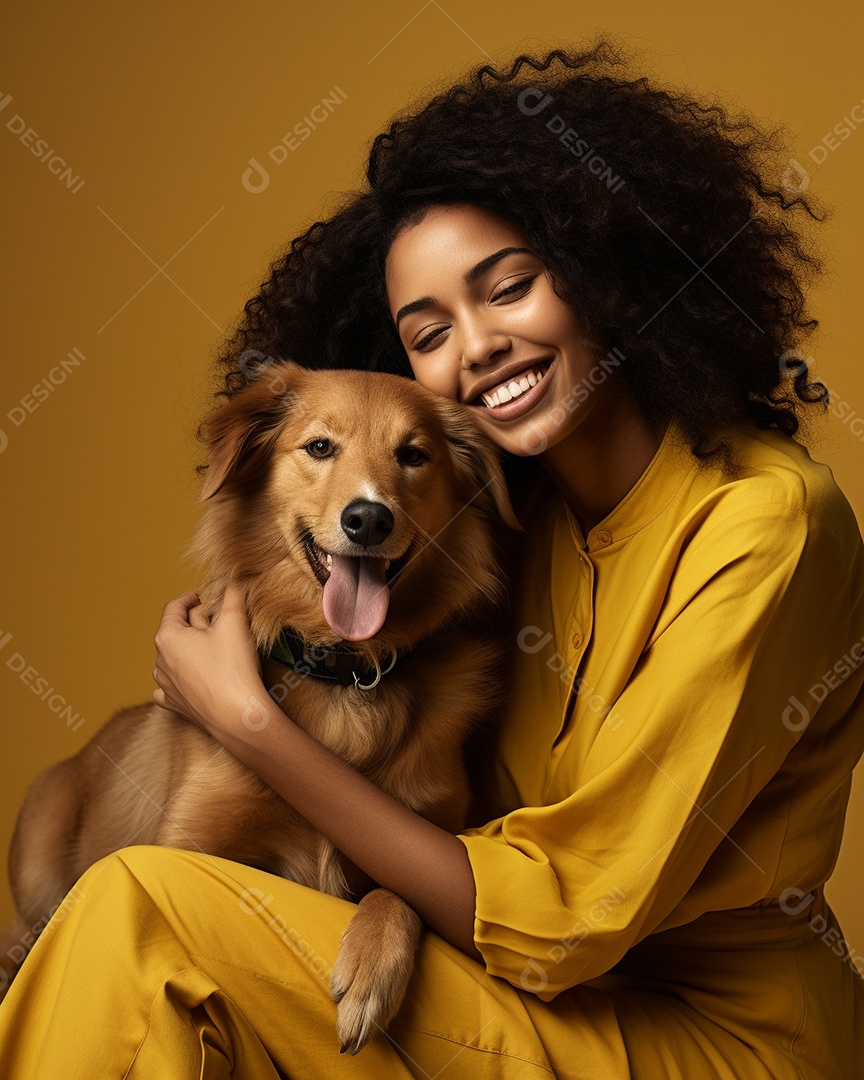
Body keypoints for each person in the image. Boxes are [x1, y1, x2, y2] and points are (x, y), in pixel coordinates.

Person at [2, 37, 863, 1079]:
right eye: (427, 332)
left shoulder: (765, 524)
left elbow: (565, 923)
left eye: (509, 288)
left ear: (605, 268)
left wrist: (244, 720)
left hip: (714, 1040)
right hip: (503, 993)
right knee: (142, 936)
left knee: (146, 913)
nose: (476, 348)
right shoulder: (494, 532)